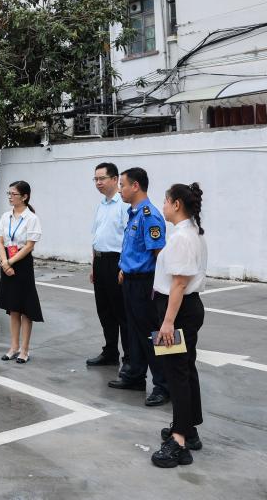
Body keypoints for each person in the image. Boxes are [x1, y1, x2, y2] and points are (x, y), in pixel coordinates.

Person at [151, 183, 208, 468]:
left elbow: (179, 283)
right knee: (185, 370)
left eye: (165, 201)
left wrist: (167, 322)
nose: (162, 206)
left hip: (177, 310)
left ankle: (179, 441)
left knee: (176, 374)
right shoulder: (192, 232)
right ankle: (188, 429)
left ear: (176, 204)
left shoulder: (182, 237)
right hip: (185, 308)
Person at [108, 166, 170, 407]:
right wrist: (125, 268)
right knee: (134, 332)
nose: (120, 190)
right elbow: (135, 249)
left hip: (145, 284)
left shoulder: (149, 215)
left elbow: (159, 254)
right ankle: (135, 375)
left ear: (135, 186)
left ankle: (164, 386)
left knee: (151, 335)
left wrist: (157, 286)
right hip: (131, 281)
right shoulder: (134, 213)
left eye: (122, 185)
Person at [86, 162, 130, 373]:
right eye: (95, 179)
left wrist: (124, 266)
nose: (98, 182)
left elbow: (128, 239)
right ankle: (110, 352)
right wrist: (93, 265)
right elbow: (97, 236)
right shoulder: (102, 205)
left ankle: (130, 358)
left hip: (117, 262)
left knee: (122, 312)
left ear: (115, 179)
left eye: (101, 178)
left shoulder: (124, 204)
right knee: (104, 310)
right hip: (101, 261)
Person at [0, 180, 44, 363]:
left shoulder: (31, 218)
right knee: (13, 307)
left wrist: (10, 262)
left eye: (13, 194)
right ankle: (13, 347)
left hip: (22, 264)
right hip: (6, 261)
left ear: (24, 197)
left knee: (25, 308)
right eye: (8, 193)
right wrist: (4, 262)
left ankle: (24, 350)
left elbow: (29, 246)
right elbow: (0, 241)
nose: (10, 197)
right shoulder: (6, 216)